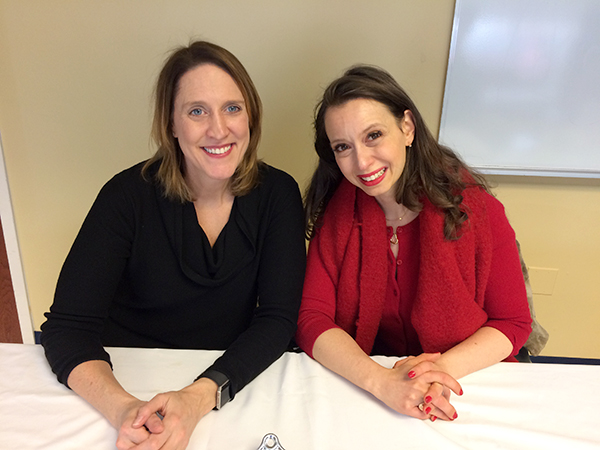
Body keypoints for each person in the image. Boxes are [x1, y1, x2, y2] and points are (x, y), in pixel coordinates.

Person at [41, 41, 306, 450]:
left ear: (251, 116)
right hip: (123, 378)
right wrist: (127, 411)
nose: (218, 129)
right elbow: (67, 329)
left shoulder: (279, 194)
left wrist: (198, 397)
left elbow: (277, 319)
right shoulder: (125, 197)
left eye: (232, 108)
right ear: (171, 124)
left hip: (226, 380)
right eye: (197, 111)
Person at [295, 65, 532, 423]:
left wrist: (438, 373)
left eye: (373, 135)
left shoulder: (479, 210)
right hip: (370, 386)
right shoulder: (336, 217)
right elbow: (311, 318)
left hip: (465, 382)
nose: (361, 161)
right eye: (343, 147)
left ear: (407, 127)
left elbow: (512, 322)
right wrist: (381, 382)